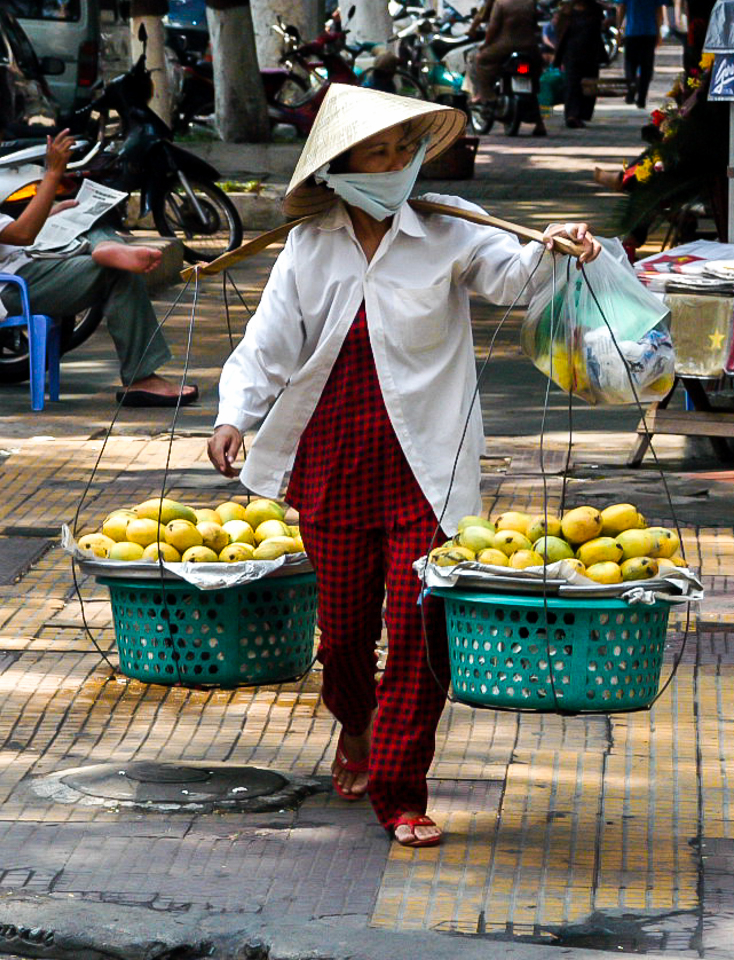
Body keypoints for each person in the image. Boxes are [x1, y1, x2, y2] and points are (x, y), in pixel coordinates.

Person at [207, 85, 599, 848]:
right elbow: (268, 343)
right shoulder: (310, 245)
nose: (393, 166)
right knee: (345, 634)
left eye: (402, 151)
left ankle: (399, 788)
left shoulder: (449, 228)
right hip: (331, 459)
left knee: (421, 628)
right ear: (339, 168)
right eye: (375, 154)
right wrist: (234, 416)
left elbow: (513, 275)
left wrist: (556, 247)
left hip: (427, 460)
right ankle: (354, 724)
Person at [0, 99, 197, 407]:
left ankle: (105, 247)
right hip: (6, 288)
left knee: (87, 220)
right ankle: (142, 379)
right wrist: (53, 174)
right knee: (117, 273)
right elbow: (22, 235)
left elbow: (0, 232)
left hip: (16, 266)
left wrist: (53, 215)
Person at [469, 0, 547, 134]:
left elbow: (492, 27)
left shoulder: (500, 4)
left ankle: (487, 97)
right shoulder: (530, 2)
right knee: (532, 82)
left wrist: (485, 44)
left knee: (479, 59)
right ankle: (539, 123)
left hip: (504, 46)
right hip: (530, 47)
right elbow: (534, 25)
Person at [552, 0, 607, 128]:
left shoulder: (595, 10)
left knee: (590, 83)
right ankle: (572, 115)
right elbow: (559, 32)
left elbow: (601, 27)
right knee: (572, 84)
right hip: (571, 53)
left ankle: (583, 114)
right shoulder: (566, 11)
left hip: (591, 52)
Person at [617, 0, 667, 108]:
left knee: (630, 64)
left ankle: (631, 87)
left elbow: (621, 8)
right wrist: (659, 32)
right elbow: (659, 11)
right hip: (649, 32)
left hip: (631, 32)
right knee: (646, 67)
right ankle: (641, 99)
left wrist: (619, 29)